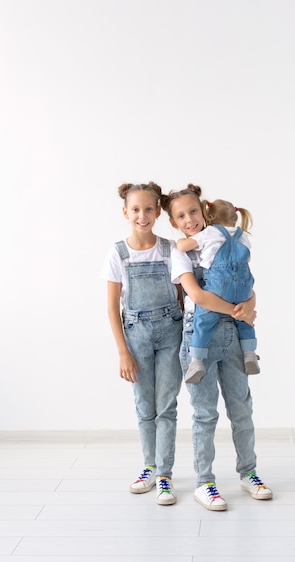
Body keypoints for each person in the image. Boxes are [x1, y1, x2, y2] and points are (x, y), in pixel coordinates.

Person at [161, 184, 272, 511]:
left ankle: (248, 472)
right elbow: (197, 296)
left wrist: (249, 304)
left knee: (242, 407)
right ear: (174, 222)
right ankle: (204, 482)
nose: (190, 219)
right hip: (201, 336)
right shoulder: (180, 252)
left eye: (194, 212)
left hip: (235, 335)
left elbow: (248, 284)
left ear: (204, 212)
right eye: (181, 216)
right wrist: (239, 309)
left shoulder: (227, 239)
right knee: (205, 412)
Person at [101, 182, 183, 506]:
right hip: (135, 335)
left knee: (167, 405)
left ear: (158, 212)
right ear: (125, 212)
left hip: (170, 332)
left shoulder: (170, 249)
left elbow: (182, 294)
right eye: (135, 209)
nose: (142, 215)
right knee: (143, 405)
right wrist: (123, 352)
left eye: (149, 209)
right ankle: (149, 465)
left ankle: (165, 474)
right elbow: (111, 307)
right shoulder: (117, 253)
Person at [176, 198, 260, 383]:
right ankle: (250, 354)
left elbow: (182, 246)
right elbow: (248, 259)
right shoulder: (241, 234)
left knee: (203, 319)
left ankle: (197, 360)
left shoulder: (210, 232)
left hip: (219, 286)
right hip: (244, 286)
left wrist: (181, 240)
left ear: (210, 217)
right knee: (245, 322)